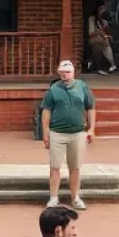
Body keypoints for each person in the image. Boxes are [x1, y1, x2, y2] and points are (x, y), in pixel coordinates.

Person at [40, 60, 95, 210]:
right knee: (55, 166)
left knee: (75, 166)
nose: (65, 75)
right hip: (57, 132)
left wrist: (91, 129)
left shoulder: (82, 87)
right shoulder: (53, 89)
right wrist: (45, 133)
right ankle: (53, 197)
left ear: (73, 72)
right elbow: (46, 111)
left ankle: (75, 197)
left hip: (77, 132)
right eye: (62, 72)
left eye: (68, 72)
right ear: (59, 73)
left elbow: (90, 108)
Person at [86, 0, 116, 75]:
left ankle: (111, 64)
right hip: (94, 39)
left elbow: (107, 33)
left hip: (103, 40)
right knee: (102, 42)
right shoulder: (92, 19)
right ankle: (104, 65)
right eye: (101, 9)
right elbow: (91, 33)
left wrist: (108, 35)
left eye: (104, 9)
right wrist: (99, 33)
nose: (103, 11)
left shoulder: (104, 21)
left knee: (105, 42)